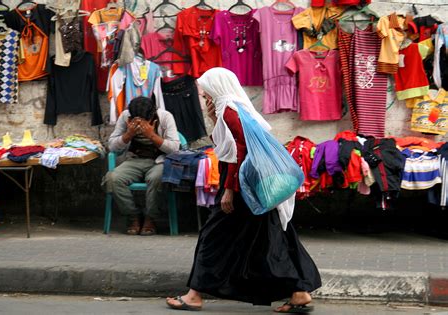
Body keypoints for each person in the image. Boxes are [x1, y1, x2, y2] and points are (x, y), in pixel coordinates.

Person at [166, 68, 321, 313]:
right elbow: (231, 145)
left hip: (241, 189)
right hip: (252, 187)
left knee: (213, 236)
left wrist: (229, 190)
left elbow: (240, 152)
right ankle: (299, 291)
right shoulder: (233, 107)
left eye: (206, 90)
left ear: (217, 86)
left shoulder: (230, 110)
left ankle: (194, 295)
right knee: (275, 234)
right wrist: (213, 117)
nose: (204, 94)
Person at [106, 96, 180, 235]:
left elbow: (175, 148)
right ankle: (133, 216)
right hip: (134, 160)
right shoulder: (125, 116)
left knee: (156, 178)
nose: (140, 124)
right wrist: (128, 134)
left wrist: (151, 135)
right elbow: (112, 146)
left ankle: (150, 218)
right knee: (113, 178)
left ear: (152, 115)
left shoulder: (165, 117)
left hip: (159, 160)